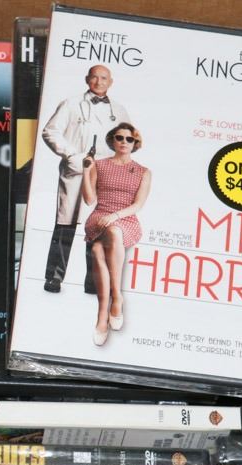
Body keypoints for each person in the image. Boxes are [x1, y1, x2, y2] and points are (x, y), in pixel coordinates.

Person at [41, 65, 130, 294]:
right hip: (77, 172)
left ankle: (93, 282)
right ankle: (54, 278)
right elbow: (50, 131)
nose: (99, 82)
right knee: (65, 226)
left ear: (111, 82)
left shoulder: (119, 110)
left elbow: (127, 141)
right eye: (95, 77)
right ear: (87, 79)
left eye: (104, 78)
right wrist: (72, 155)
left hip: (105, 175)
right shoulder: (71, 104)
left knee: (99, 228)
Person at [80, 123, 150, 346]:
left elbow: (137, 205)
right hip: (99, 217)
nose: (124, 142)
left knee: (98, 248)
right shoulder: (99, 165)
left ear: (135, 143)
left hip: (125, 220)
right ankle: (115, 300)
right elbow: (89, 200)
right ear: (112, 140)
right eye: (119, 137)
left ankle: (105, 312)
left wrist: (115, 216)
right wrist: (86, 171)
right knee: (106, 237)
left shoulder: (143, 172)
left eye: (129, 139)